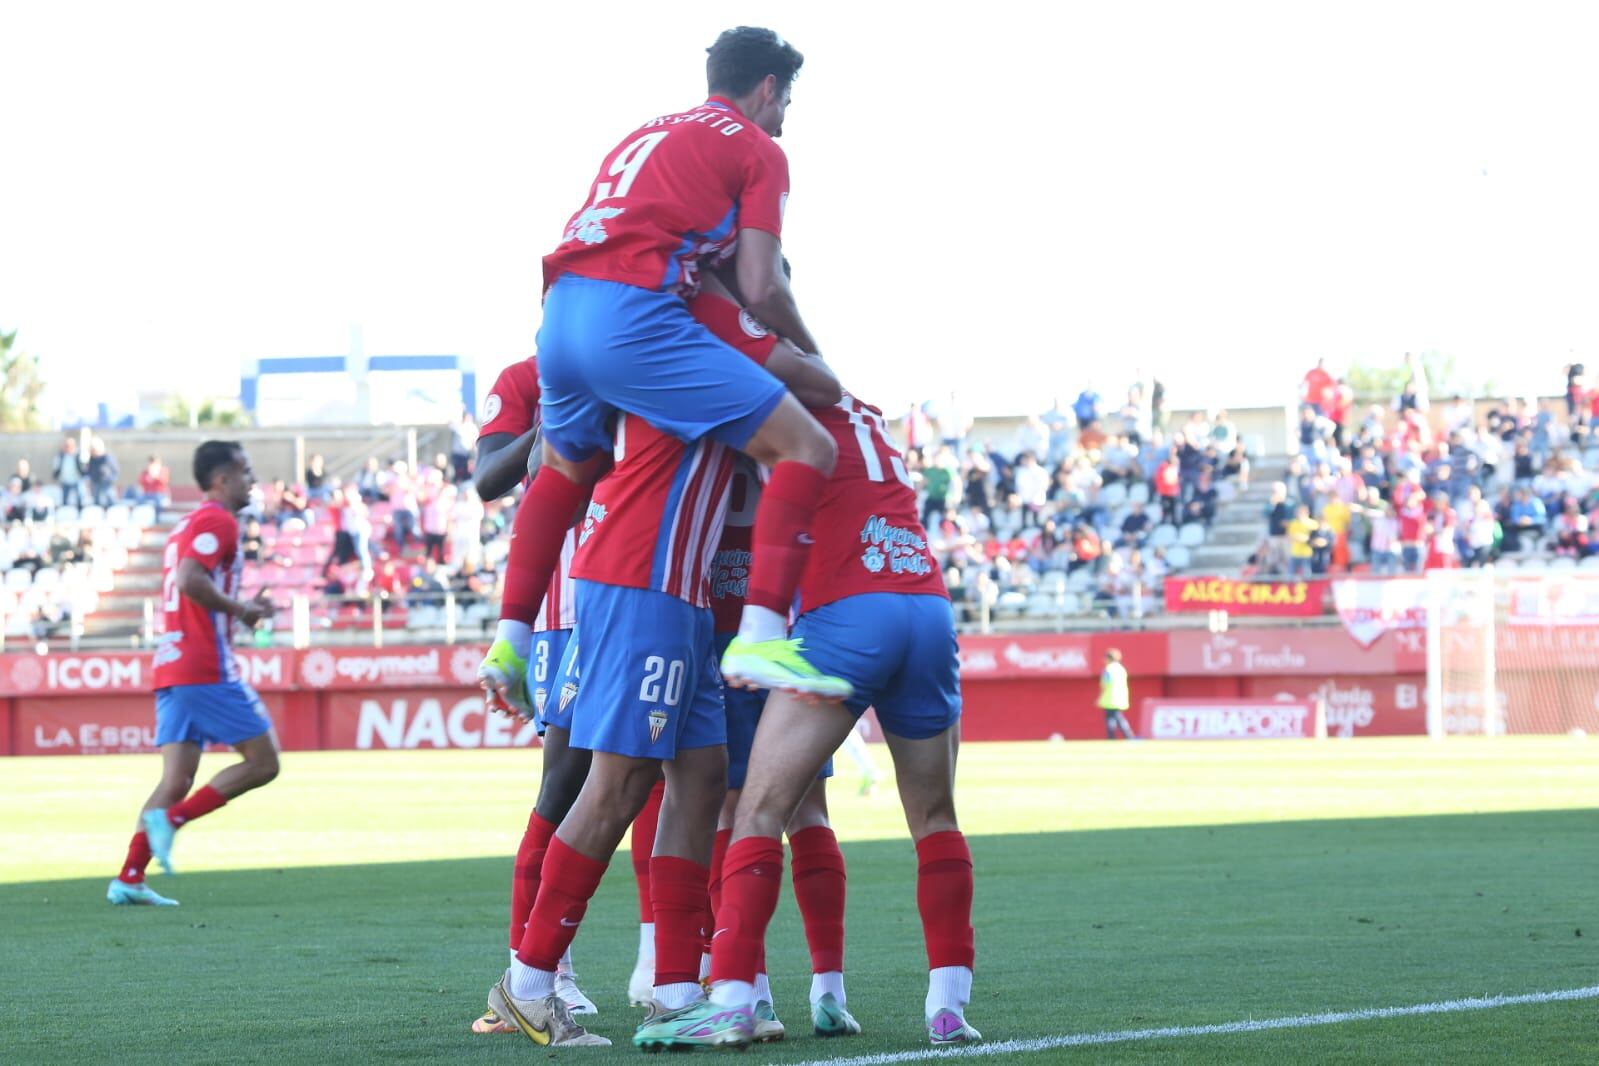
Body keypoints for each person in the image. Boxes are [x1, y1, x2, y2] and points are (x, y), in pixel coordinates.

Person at [486, 266, 841, 1049]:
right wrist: (786, 335)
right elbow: (813, 389)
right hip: (641, 579)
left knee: (701, 777)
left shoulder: (672, 344)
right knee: (616, 784)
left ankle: (676, 986)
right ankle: (529, 981)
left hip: (677, 593)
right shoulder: (690, 342)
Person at [476, 27, 850, 722]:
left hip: (560, 312)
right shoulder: (757, 146)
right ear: (768, 88)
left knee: (562, 469)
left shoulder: (643, 134)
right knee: (807, 446)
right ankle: (762, 636)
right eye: (785, 104)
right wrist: (812, 352)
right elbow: (761, 286)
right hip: (634, 312)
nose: (782, 119)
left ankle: (508, 640)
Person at [636, 390, 977, 1051]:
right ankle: (947, 1007)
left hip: (845, 614)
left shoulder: (766, 404)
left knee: (757, 808)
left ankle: (733, 998)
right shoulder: (866, 413)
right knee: (935, 817)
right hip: (926, 602)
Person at [702, 457, 858, 1041]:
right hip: (793, 633)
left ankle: (753, 993)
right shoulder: (791, 428)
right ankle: (830, 991)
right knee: (810, 811)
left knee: (733, 814)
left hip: (723, 631)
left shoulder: (709, 417)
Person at [468, 350, 598, 1030]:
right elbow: (487, 479)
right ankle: (541, 974)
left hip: (655, 591)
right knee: (566, 786)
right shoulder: (523, 379)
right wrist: (541, 434)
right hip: (566, 609)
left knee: (673, 781)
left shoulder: (646, 351)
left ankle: (677, 974)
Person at [106, 441, 279, 907]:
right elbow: (189, 579)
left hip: (172, 663)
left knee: (175, 779)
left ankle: (130, 875)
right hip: (202, 664)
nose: (252, 479)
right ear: (221, 479)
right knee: (264, 762)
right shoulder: (217, 519)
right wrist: (242, 609)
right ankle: (174, 822)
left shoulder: (186, 522)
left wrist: (244, 608)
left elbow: (189, 581)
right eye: (244, 471)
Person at [1098, 649, 1134, 740]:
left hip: (1110, 698)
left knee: (1116, 719)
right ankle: (1113, 737)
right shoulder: (1121, 669)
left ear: (1108, 658)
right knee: (1114, 719)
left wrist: (1100, 696)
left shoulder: (1109, 669)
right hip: (1120, 697)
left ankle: (1127, 736)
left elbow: (1105, 683)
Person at [134, 455, 171, 521]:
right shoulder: (146, 472)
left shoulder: (163, 470)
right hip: (147, 493)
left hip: (159, 493)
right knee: (139, 499)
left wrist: (156, 477)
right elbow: (140, 481)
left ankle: (157, 518)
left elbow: (164, 481)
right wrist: (147, 478)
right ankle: (140, 517)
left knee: (158, 501)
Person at [53, 436, 85, 508]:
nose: (68, 447)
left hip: (77, 480)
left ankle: (80, 512)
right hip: (65, 481)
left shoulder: (78, 455)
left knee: (79, 498)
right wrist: (57, 478)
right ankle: (65, 513)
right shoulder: (60, 456)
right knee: (65, 499)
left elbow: (83, 467)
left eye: (70, 445)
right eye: (66, 446)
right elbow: (56, 468)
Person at [87, 438, 120, 507]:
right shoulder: (92, 458)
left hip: (106, 482)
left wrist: (111, 479)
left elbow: (115, 469)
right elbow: (89, 469)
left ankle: (114, 511)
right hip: (95, 481)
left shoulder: (108, 457)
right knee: (96, 500)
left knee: (111, 499)